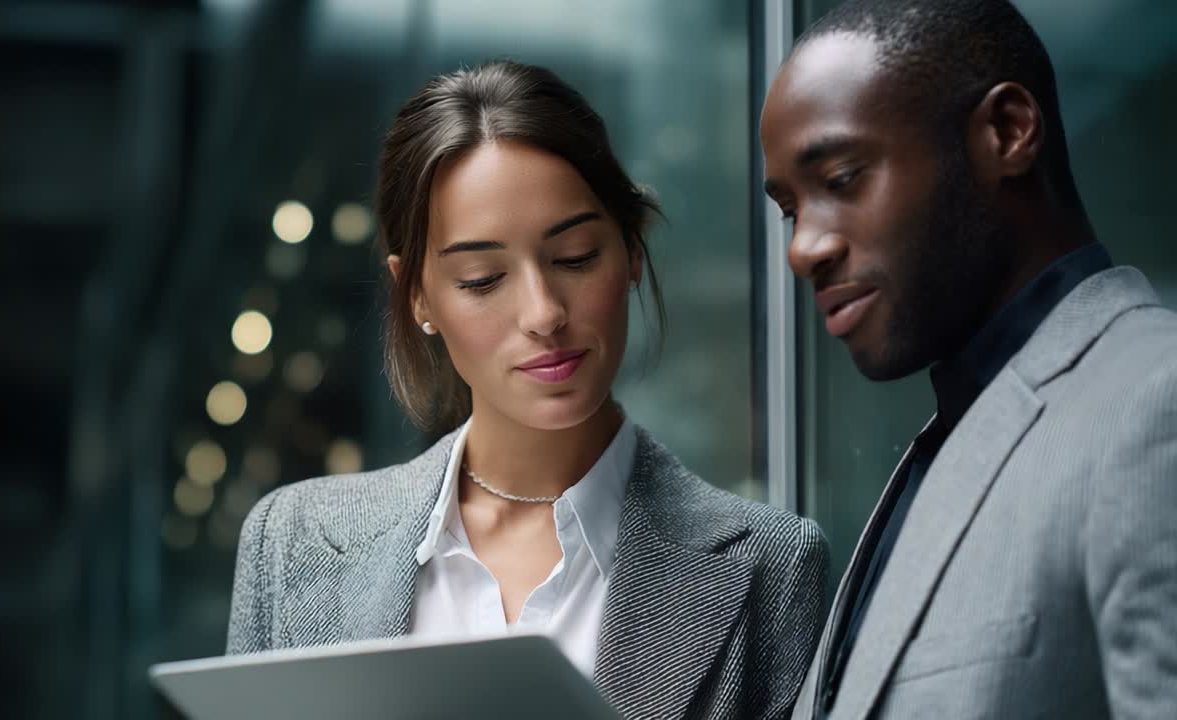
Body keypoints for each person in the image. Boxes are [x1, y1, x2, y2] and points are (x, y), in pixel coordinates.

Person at [228, 60, 828, 720]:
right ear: (418, 295)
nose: (543, 313)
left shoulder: (774, 567)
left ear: (631, 249)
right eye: (483, 278)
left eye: (574, 258)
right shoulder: (294, 545)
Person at [759, 1, 1177, 718]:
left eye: (844, 178)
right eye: (792, 210)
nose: (803, 249)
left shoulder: (1154, 403)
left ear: (1007, 133)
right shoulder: (957, 435)